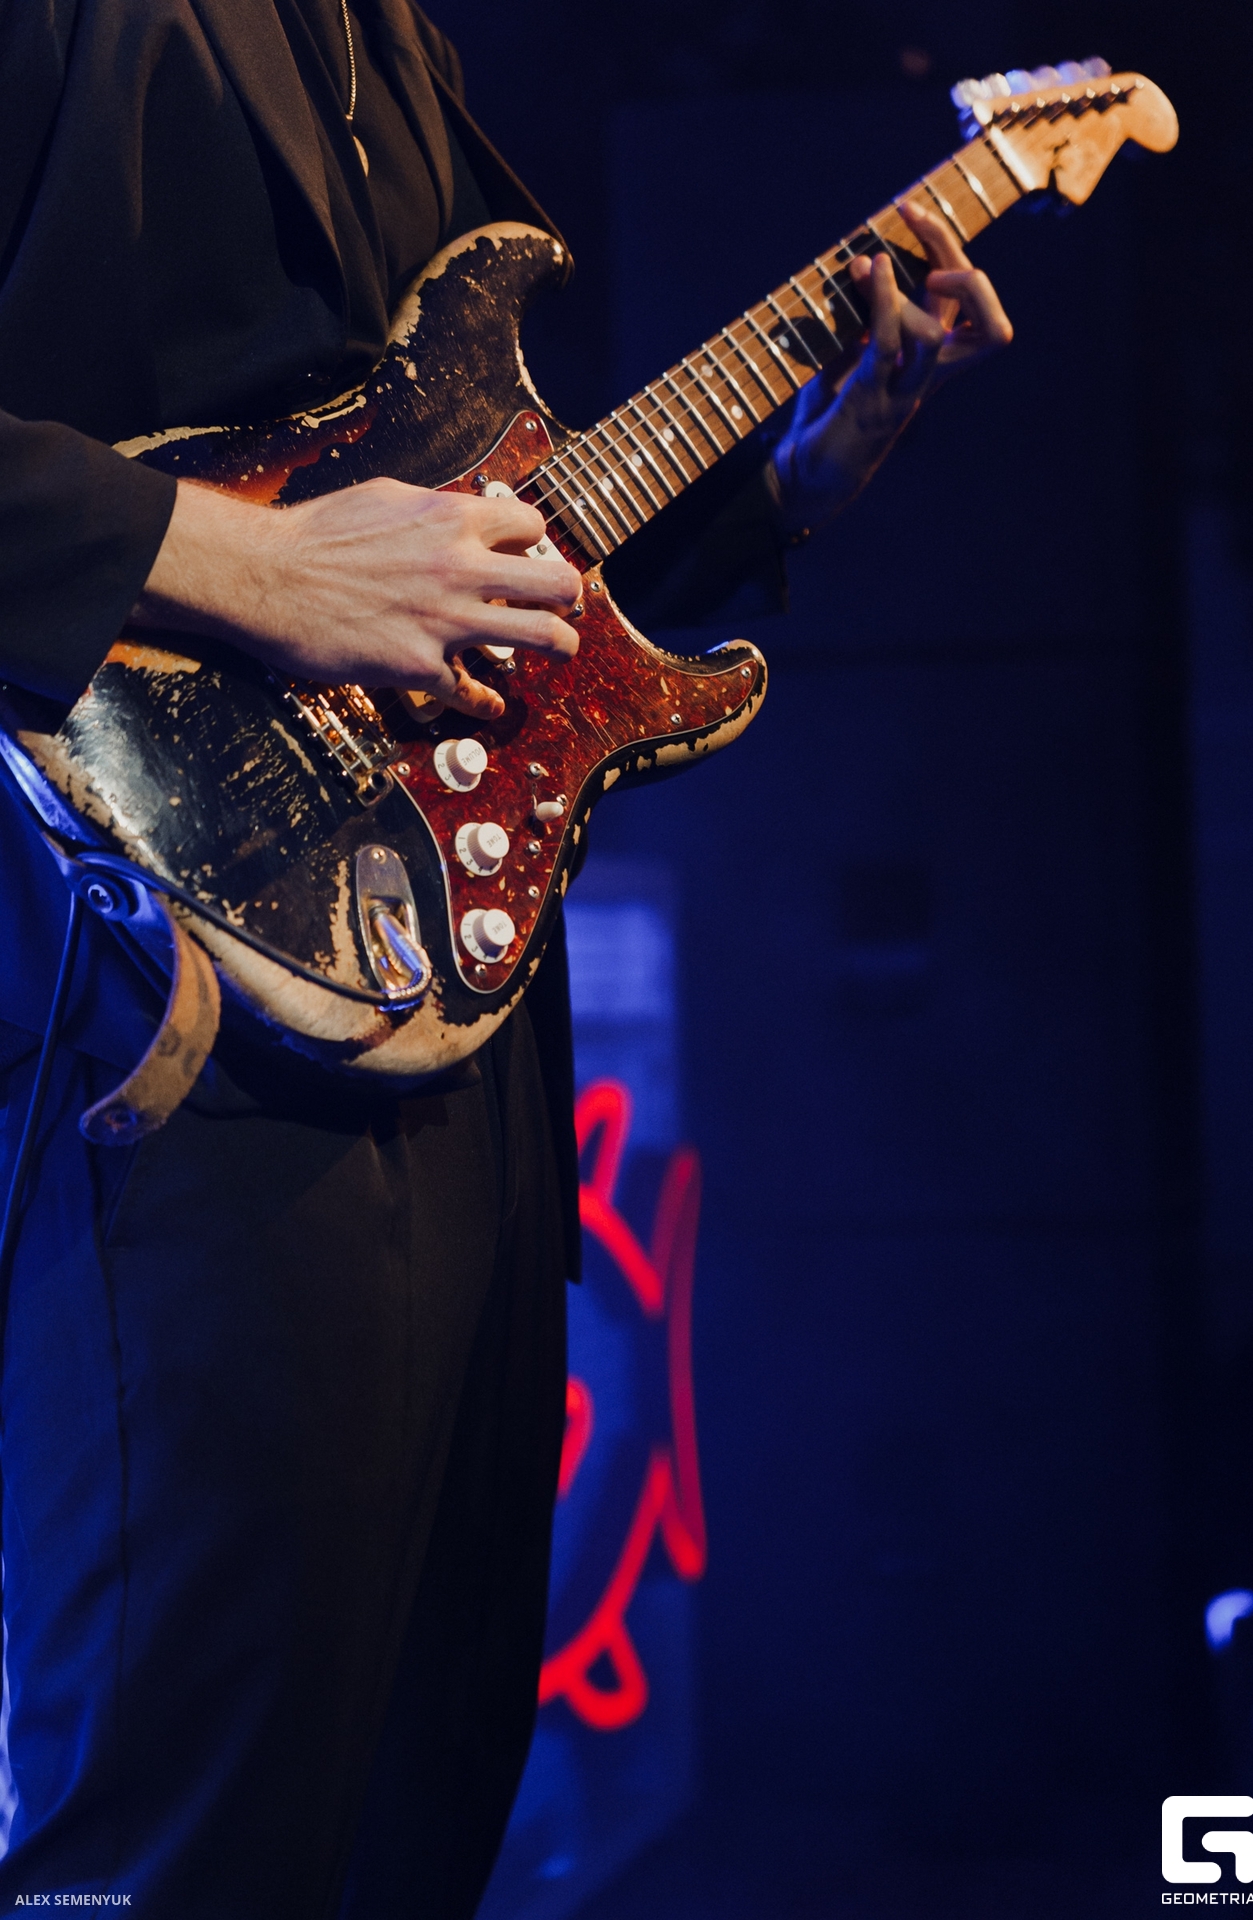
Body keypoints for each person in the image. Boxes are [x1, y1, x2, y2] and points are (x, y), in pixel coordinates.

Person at [0, 3, 1012, 1914]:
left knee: (421, 1799)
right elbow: (323, 565)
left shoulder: (391, 37)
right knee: (184, 1827)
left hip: (453, 1019)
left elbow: (468, 549)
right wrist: (251, 566)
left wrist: (786, 481)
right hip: (140, 997)